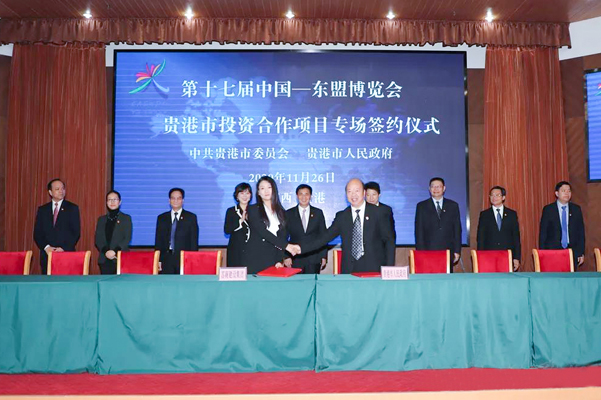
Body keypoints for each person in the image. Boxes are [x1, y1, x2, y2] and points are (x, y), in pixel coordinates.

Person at [300, 178, 395, 273]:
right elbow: (324, 238)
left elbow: (389, 240)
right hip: (350, 270)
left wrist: (389, 268)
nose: (353, 195)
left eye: (357, 191)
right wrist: (300, 248)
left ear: (364, 192)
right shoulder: (342, 216)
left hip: (374, 269)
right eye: (349, 191)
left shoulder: (379, 212)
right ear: (346, 195)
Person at [246, 176, 301, 274]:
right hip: (256, 257)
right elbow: (263, 232)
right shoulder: (253, 209)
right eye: (262, 188)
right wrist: (287, 246)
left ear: (274, 189)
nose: (266, 191)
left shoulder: (282, 212)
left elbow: (283, 236)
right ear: (258, 192)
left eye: (269, 187)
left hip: (273, 258)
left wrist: (279, 259)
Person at [33, 178, 81, 275]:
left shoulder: (72, 208)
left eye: (63, 188)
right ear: (50, 192)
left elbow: (75, 232)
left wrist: (63, 248)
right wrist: (47, 247)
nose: (61, 191)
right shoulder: (43, 210)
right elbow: (37, 233)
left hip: (66, 254)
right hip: (47, 255)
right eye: (57, 189)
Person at [414, 177, 462, 268]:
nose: (435, 189)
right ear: (429, 189)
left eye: (438, 186)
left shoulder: (453, 206)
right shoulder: (421, 206)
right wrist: (421, 252)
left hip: (448, 251)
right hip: (428, 251)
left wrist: (457, 250)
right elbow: (419, 231)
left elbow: (457, 229)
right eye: (433, 186)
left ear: (444, 188)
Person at [539, 181, 585, 268]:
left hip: (572, 252)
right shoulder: (548, 210)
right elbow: (543, 233)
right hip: (553, 252)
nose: (567, 193)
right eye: (564, 191)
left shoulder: (576, 209)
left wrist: (581, 252)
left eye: (569, 191)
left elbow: (580, 232)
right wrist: (543, 253)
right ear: (557, 193)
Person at [284, 184, 328, 274]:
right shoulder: (289, 213)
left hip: (314, 258)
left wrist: (323, 256)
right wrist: (286, 256)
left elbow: (323, 236)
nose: (303, 197)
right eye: (301, 194)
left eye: (306, 194)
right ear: (297, 196)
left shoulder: (318, 213)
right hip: (295, 258)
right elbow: (284, 236)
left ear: (310, 196)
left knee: (312, 282)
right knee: (296, 283)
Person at [154, 188, 199, 274]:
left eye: (178, 198)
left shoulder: (191, 217)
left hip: (183, 259)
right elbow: (158, 241)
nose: (176, 201)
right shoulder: (162, 218)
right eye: (173, 198)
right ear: (169, 200)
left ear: (183, 200)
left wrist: (192, 259)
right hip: (166, 259)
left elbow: (194, 242)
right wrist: (158, 260)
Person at [476, 186, 521, 271]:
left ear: (503, 197)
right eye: (492, 195)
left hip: (507, 255)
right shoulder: (484, 215)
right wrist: (480, 256)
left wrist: (516, 257)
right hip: (489, 255)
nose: (494, 197)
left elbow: (516, 238)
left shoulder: (512, 214)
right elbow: (480, 238)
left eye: (497, 195)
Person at [94, 190, 133, 274]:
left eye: (115, 199)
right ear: (106, 202)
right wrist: (106, 252)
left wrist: (114, 251)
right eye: (109, 199)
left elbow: (127, 238)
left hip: (120, 258)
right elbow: (98, 239)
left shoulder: (126, 218)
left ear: (120, 202)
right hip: (104, 259)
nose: (112, 202)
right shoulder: (101, 219)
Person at [224, 182, 252, 267]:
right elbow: (227, 230)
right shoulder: (231, 211)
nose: (245, 196)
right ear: (237, 196)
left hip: (251, 250)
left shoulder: (255, 210)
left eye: (247, 193)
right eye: (242, 193)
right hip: (236, 251)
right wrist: (240, 221)